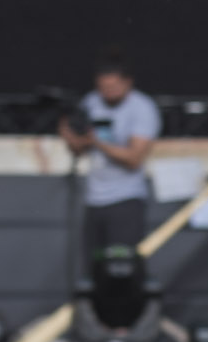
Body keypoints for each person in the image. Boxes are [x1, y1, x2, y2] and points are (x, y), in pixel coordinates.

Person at [59, 54, 162, 256]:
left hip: (126, 199)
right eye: (103, 88)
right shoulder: (91, 102)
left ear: (127, 82)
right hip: (94, 199)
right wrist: (69, 135)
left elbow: (134, 159)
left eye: (113, 87)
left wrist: (96, 141)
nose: (108, 93)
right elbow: (78, 150)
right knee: (93, 264)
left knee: (122, 264)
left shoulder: (142, 107)